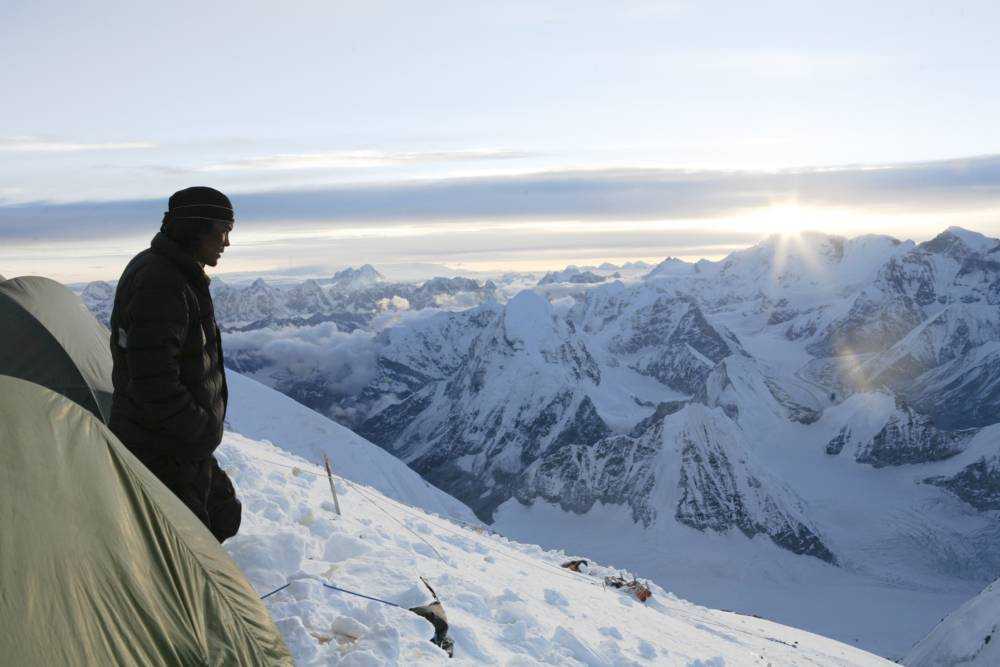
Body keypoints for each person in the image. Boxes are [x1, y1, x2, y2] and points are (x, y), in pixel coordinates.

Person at [108, 186, 241, 542]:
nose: (226, 242)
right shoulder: (161, 282)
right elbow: (153, 379)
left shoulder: (174, 273)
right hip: (164, 447)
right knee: (188, 545)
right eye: (222, 229)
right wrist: (197, 431)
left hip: (176, 442)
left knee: (223, 514)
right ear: (195, 228)